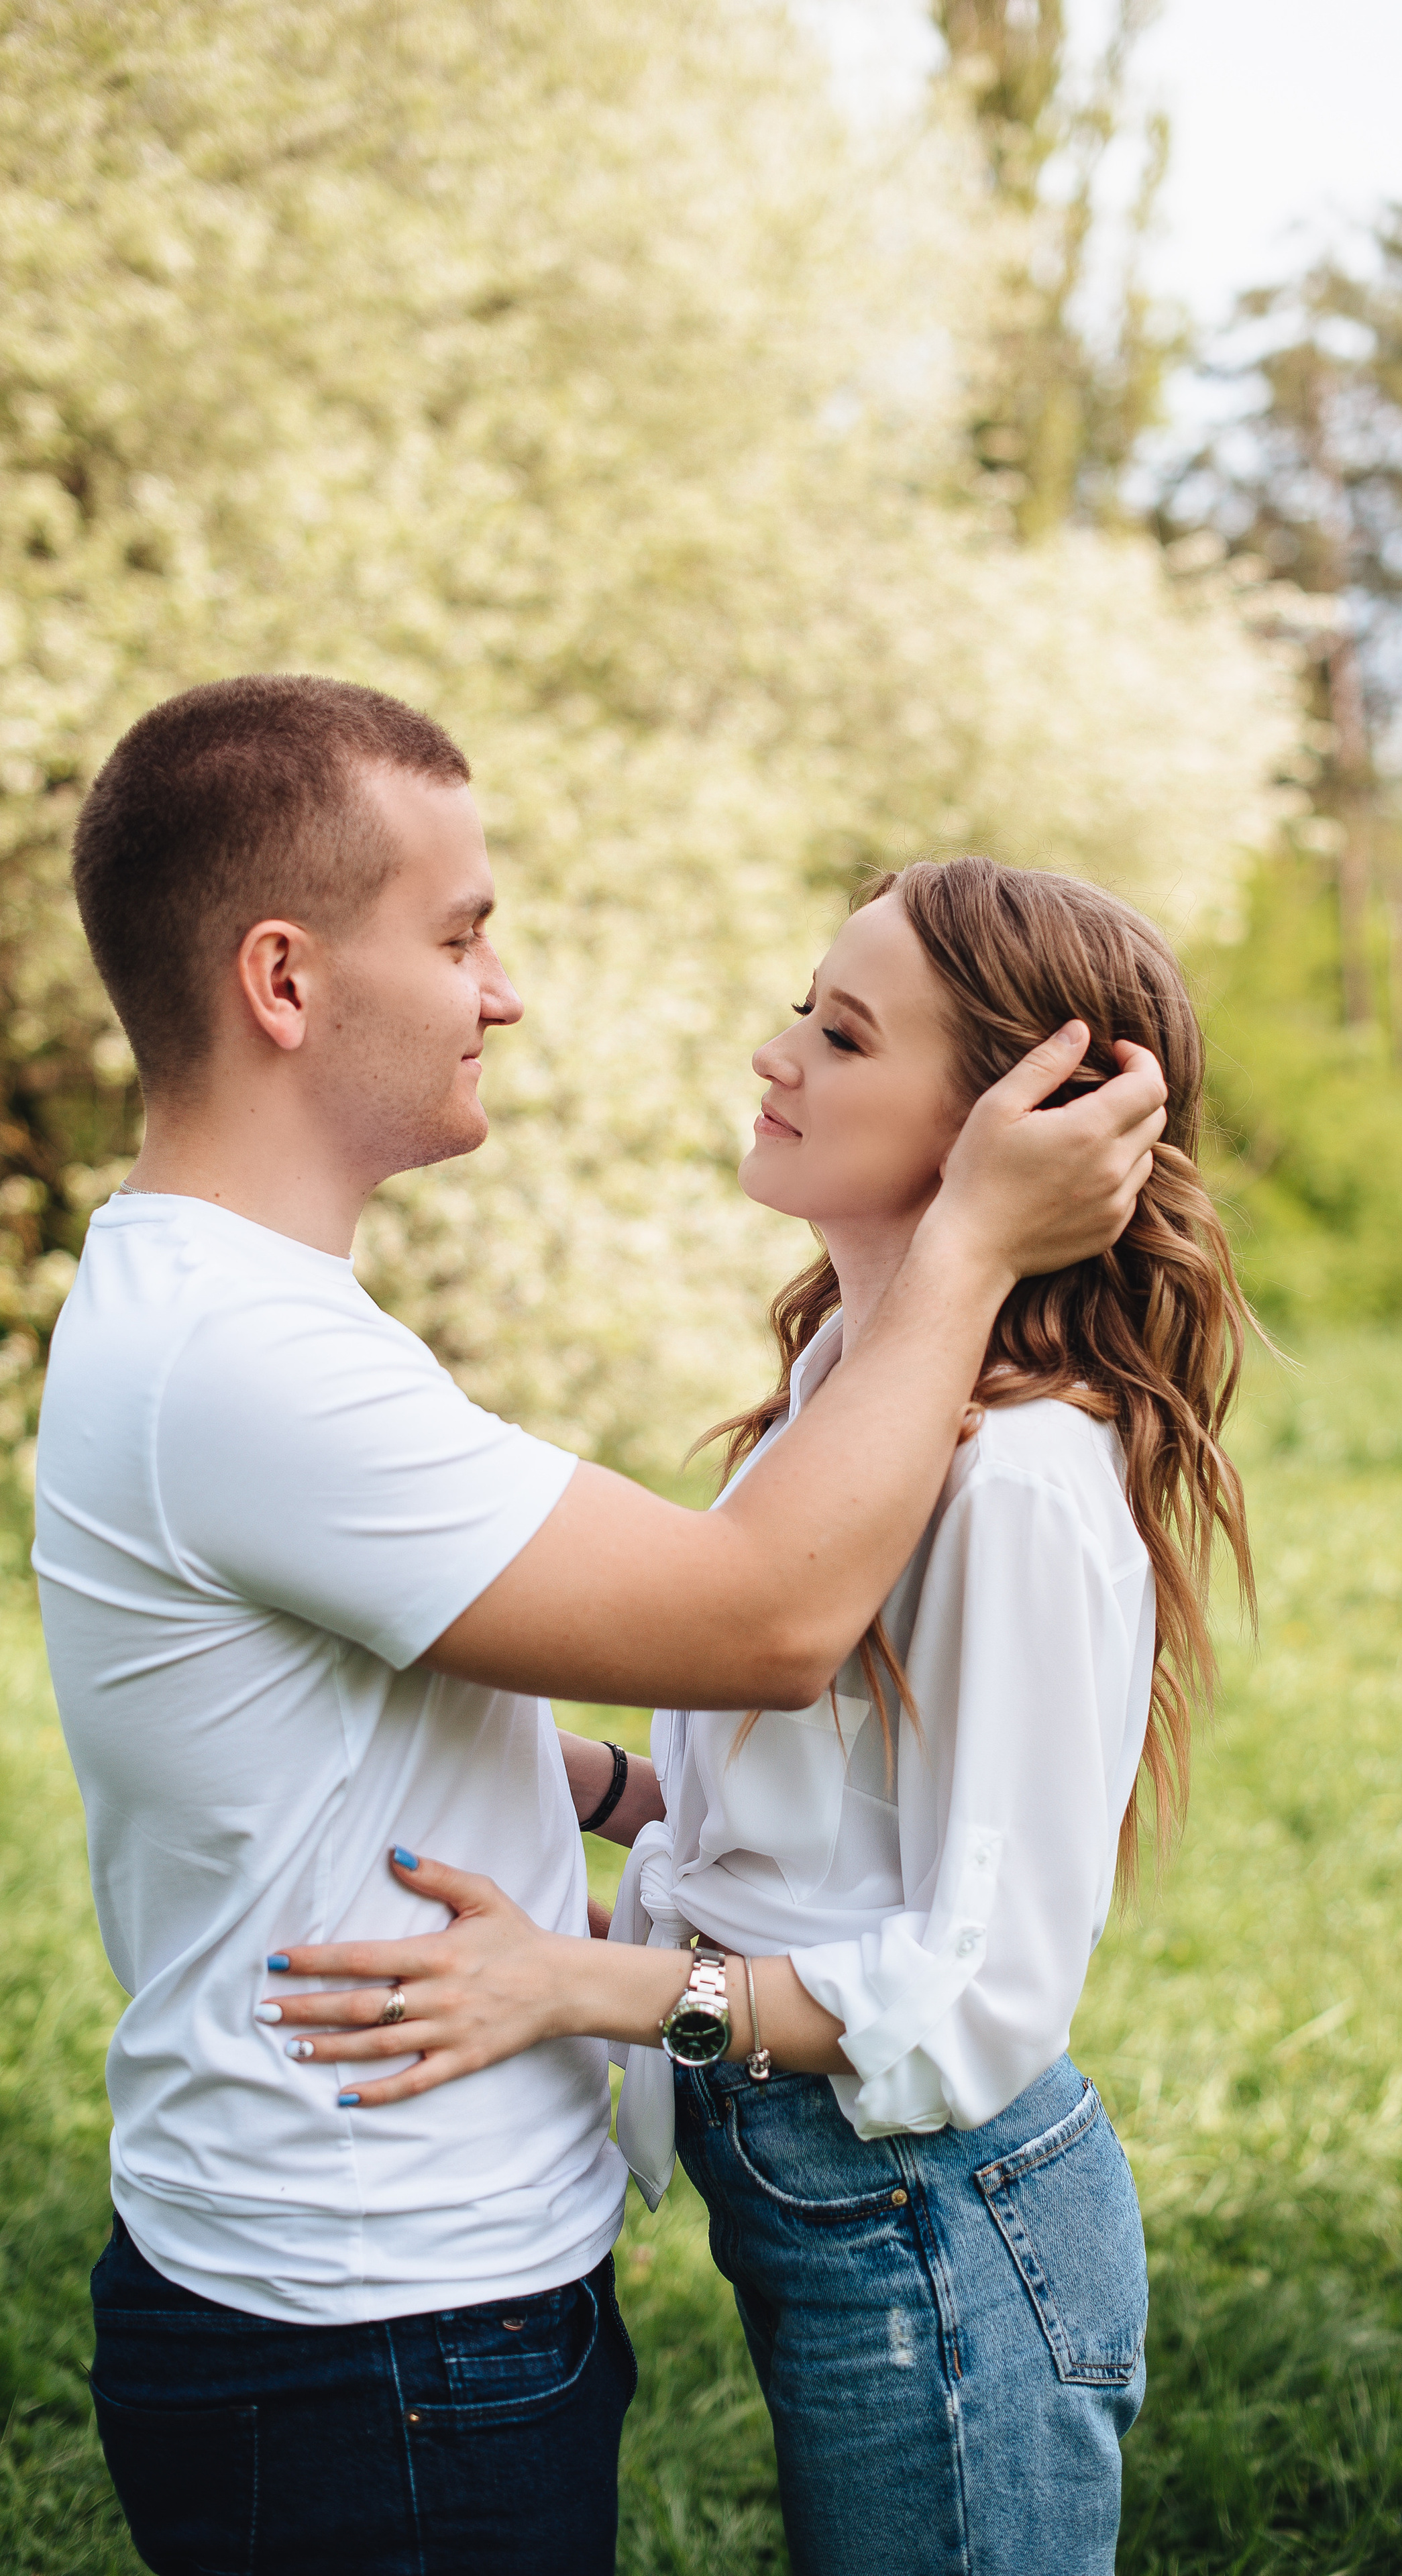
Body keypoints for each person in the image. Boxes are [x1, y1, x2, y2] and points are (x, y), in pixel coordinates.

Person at [31, 681, 1169, 2576]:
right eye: (462, 933)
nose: (506, 990)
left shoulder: (250, 1322)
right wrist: (967, 1247)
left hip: (428, 2296)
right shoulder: (251, 1360)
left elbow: (908, 1872)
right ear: (286, 985)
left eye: (839, 1027)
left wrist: (579, 1802)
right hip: (369, 2322)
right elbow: (773, 1621)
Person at [269, 855, 1253, 2576]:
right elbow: (813, 1828)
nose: (774, 1053)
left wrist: (582, 1984)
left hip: (943, 2236)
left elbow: (978, 2000)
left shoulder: (1022, 1480)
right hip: (842, 2213)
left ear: (1000, 1128)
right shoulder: (841, 1393)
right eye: (804, 1006)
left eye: (845, 1034)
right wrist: (561, 1774)